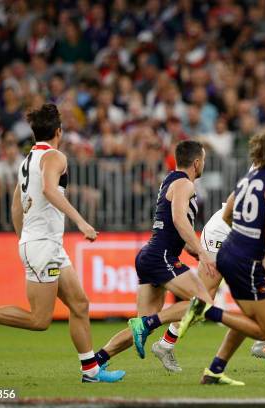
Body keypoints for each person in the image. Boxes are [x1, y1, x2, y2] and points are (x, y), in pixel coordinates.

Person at [0, 103, 125, 383]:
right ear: (59, 131)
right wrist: (81, 222)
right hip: (43, 246)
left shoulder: (27, 160)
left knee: (80, 304)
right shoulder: (55, 156)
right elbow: (48, 189)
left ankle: (91, 370)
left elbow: (14, 206)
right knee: (40, 320)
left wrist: (23, 239)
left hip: (45, 245)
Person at [175, 128, 265, 385]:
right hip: (245, 261)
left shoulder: (248, 180)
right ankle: (207, 310)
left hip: (229, 251)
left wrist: (244, 237)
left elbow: (227, 215)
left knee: (250, 319)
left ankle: (215, 370)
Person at [92, 141, 216, 366]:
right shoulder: (185, 184)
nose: (204, 165)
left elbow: (171, 223)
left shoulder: (170, 180)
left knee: (141, 325)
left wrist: (192, 249)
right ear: (197, 163)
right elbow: (179, 219)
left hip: (151, 254)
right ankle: (148, 325)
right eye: (204, 160)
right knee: (203, 302)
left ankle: (95, 363)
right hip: (161, 256)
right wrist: (201, 251)